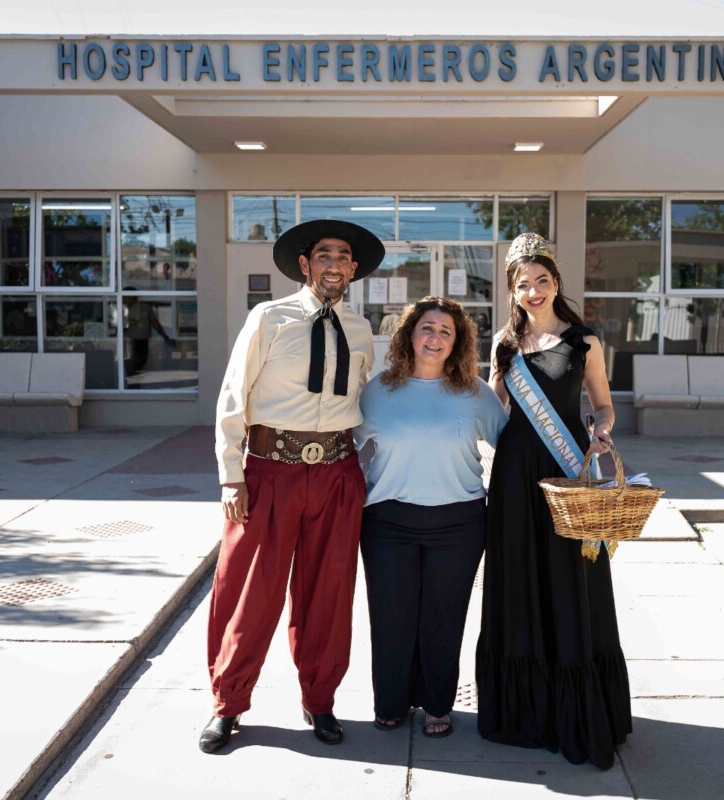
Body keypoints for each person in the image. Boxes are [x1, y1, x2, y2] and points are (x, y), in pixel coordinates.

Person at [200, 219, 384, 754]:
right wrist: (231, 476)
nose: (333, 264)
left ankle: (320, 699)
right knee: (248, 593)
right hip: (269, 472)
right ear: (305, 266)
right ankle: (228, 704)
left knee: (327, 593)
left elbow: (367, 400)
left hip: (336, 473)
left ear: (353, 269)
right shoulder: (268, 319)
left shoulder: (359, 328)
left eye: (343, 256)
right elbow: (233, 398)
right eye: (322, 255)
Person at [476, 232, 633, 769]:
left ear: (556, 283)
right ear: (513, 291)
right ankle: (525, 711)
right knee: (520, 578)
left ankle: (580, 711)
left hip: (567, 476)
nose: (534, 289)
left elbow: (604, 405)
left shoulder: (584, 341)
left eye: (542, 280)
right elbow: (492, 413)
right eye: (524, 283)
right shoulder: (504, 345)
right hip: (516, 479)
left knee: (570, 582)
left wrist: (601, 432)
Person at [355, 296, 507, 739]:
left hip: (458, 524)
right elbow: (343, 445)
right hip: (387, 523)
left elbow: (512, 448)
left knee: (444, 617)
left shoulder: (476, 394)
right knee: (390, 615)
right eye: (427, 328)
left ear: (457, 343)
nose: (435, 337)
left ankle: (438, 703)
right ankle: (391, 702)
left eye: (446, 331)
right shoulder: (378, 390)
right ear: (409, 333)